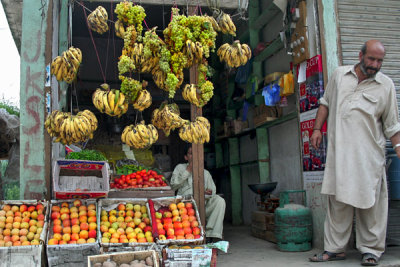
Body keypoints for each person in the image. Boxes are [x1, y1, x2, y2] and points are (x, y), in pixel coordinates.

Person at [309, 40, 400, 266]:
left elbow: (392, 125)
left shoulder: (385, 85)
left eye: (379, 61)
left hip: (369, 157)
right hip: (339, 155)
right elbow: (325, 103)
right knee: (337, 204)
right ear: (360, 55)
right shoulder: (340, 75)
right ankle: (334, 249)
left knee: (370, 205)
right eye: (371, 59)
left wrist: (398, 148)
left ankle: (371, 250)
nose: (375, 65)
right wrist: (317, 129)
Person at [170, 145, 226, 242]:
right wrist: (188, 171)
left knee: (219, 201)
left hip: (203, 207)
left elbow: (212, 192)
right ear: (186, 157)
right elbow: (173, 186)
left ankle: (211, 235)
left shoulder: (206, 173)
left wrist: (206, 192)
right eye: (191, 153)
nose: (195, 156)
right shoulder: (180, 168)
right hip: (185, 208)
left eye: (197, 154)